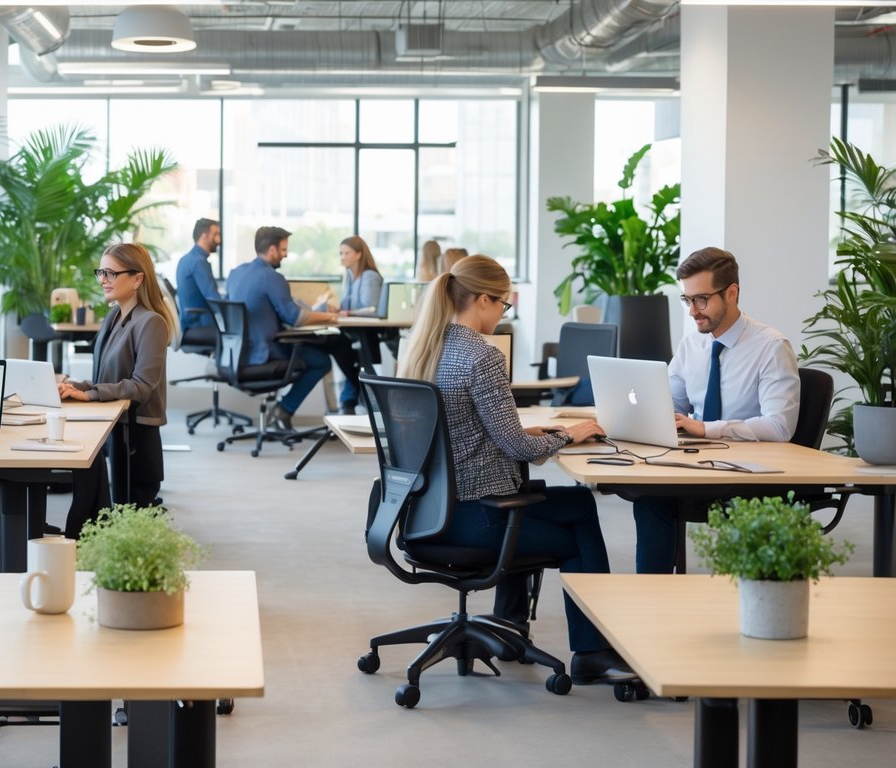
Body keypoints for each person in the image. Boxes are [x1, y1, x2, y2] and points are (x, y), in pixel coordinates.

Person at [397, 255, 631, 683]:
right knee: (577, 530)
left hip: (425, 512)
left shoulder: (425, 348)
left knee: (576, 502)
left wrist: (538, 430)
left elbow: (467, 428)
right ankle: (591, 652)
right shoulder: (480, 356)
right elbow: (516, 445)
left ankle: (510, 623)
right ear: (483, 299)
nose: (503, 314)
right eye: (503, 305)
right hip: (474, 517)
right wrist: (568, 434)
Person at [632, 247, 801, 574]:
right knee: (650, 501)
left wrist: (709, 428)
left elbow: (780, 427)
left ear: (732, 293)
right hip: (697, 466)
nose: (693, 311)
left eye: (701, 299)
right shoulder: (691, 344)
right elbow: (673, 404)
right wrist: (644, 414)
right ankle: (652, 603)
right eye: (687, 300)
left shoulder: (771, 346)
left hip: (749, 477)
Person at [58, 243, 173, 535]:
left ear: (137, 279)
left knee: (131, 516)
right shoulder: (114, 317)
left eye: (111, 273)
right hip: (113, 425)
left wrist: (90, 394)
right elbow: (107, 378)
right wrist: (76, 387)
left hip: (136, 432)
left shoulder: (152, 323)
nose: (103, 279)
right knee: (104, 507)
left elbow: (143, 386)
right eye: (101, 272)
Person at [225, 226, 359, 431]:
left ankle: (284, 411)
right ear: (271, 250)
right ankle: (284, 409)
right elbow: (294, 317)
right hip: (265, 353)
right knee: (321, 361)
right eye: (283, 249)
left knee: (320, 351)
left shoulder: (236, 273)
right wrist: (330, 316)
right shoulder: (272, 277)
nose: (286, 254)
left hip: (238, 354)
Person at [315, 236, 383, 413]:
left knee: (343, 349)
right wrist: (336, 308)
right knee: (339, 348)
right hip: (351, 329)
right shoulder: (350, 276)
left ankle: (350, 399)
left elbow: (372, 308)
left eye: (347, 253)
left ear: (359, 254)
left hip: (366, 332)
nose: (342, 257)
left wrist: (348, 313)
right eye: (341, 253)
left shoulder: (369, 276)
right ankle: (350, 398)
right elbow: (348, 306)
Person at [175, 218, 222, 347]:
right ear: (204, 236)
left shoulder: (186, 259)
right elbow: (213, 298)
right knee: (241, 334)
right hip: (199, 325)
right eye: (216, 235)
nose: (219, 240)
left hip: (189, 324)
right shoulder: (198, 262)